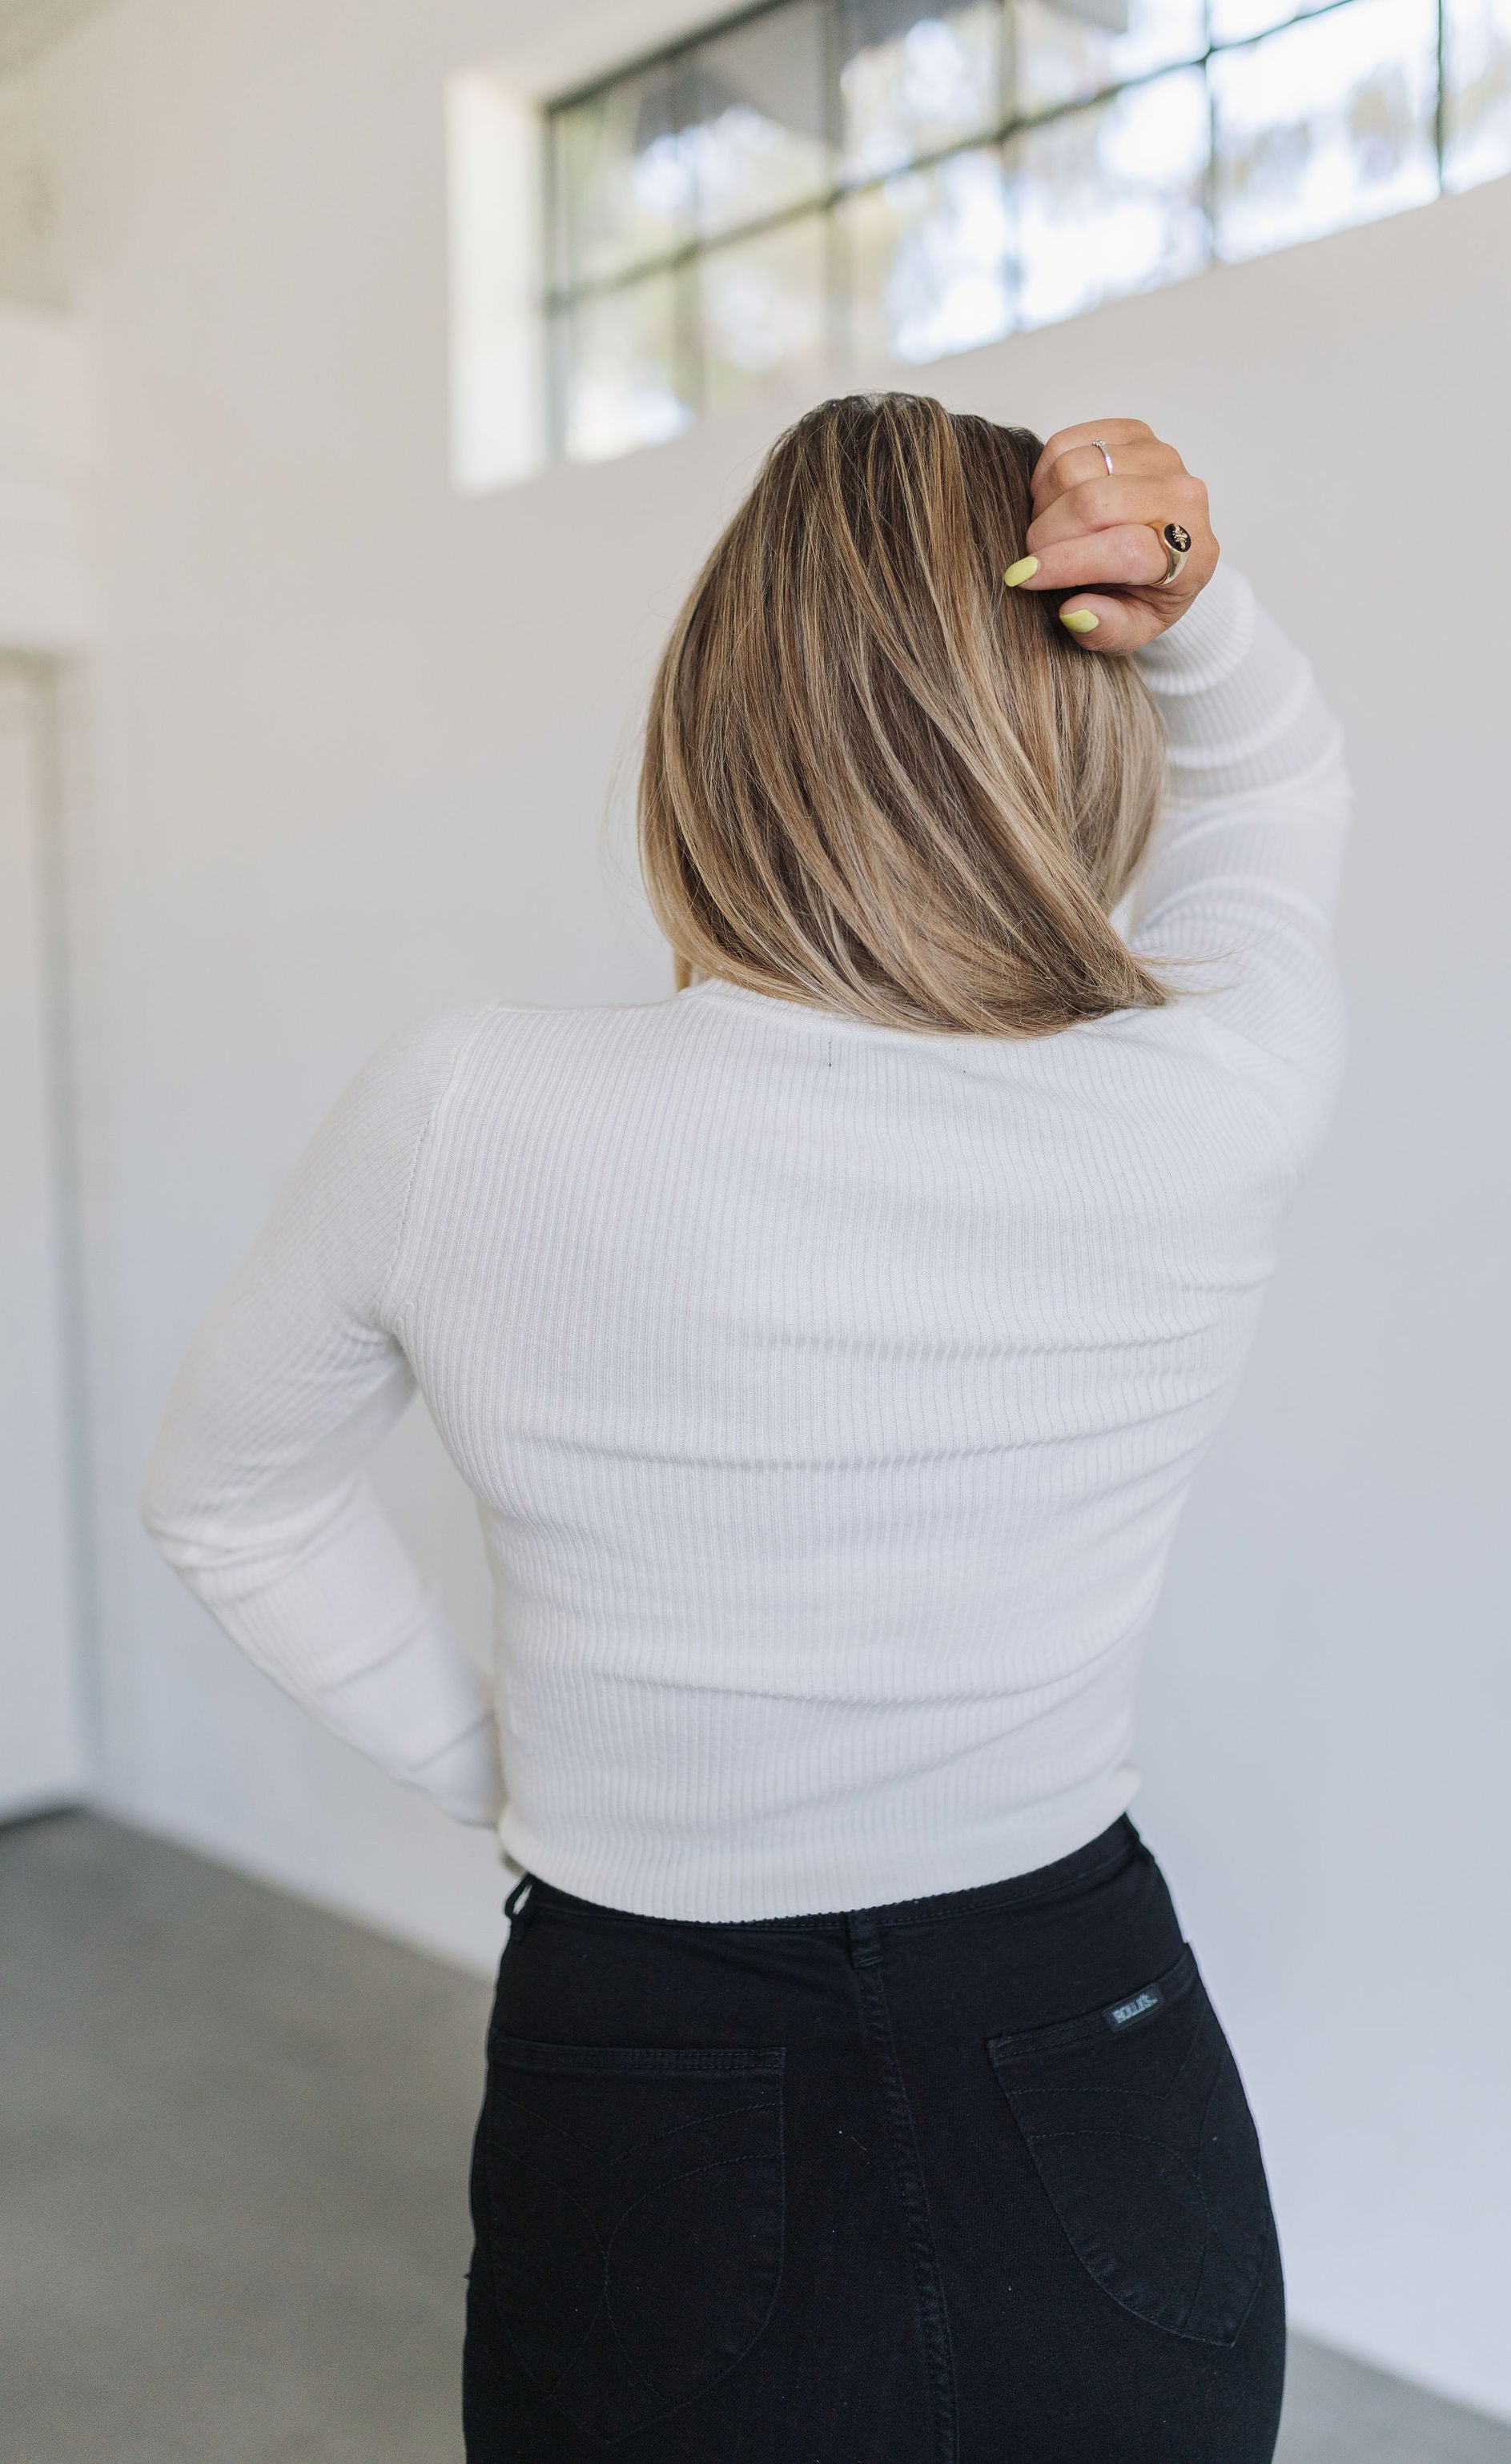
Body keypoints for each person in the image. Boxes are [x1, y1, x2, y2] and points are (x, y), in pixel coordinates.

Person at [141, 393, 1348, 2464]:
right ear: (1075, 724)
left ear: (721, 714)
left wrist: (502, 1765)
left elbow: (229, 1497)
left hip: (657, 2049)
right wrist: (1204, 622)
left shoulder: (471, 1109)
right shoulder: (1210, 1090)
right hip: (1094, 2057)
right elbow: (1280, 804)